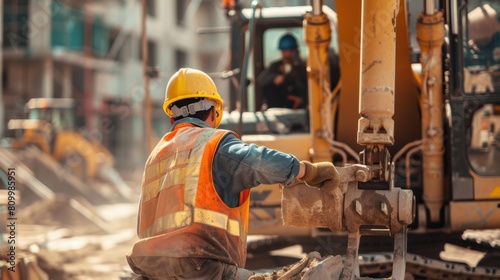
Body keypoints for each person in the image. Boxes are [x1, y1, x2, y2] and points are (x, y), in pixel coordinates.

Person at [126, 68, 340, 280]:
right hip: (200, 266)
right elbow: (259, 161)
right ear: (214, 111)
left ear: (172, 117)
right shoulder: (212, 144)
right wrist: (308, 171)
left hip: (151, 268)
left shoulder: (156, 156)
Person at [257, 33, 308, 109]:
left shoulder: (302, 68)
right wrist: (274, 78)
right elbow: (261, 80)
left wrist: (302, 100)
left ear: (295, 51)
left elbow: (309, 88)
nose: (287, 54)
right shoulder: (275, 66)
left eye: (290, 51)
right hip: (277, 108)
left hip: (299, 111)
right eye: (284, 51)